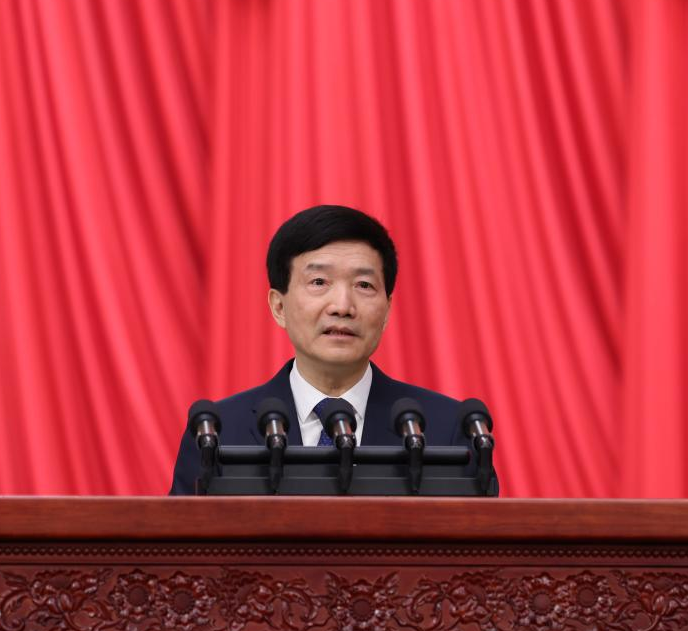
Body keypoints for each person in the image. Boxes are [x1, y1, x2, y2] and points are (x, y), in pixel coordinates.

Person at [169, 204, 493, 495]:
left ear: (387, 310)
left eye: (363, 285)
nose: (342, 306)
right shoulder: (217, 431)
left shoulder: (448, 429)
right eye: (319, 282)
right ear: (279, 306)